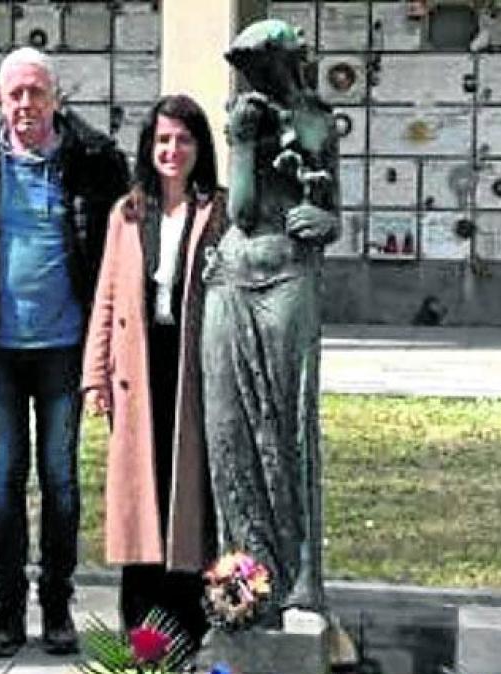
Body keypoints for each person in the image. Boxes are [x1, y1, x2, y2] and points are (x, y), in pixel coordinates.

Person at [0, 47, 129, 658]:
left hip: (64, 346)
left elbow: (117, 248)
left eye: (35, 92)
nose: (25, 105)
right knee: (3, 481)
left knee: (61, 479)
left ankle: (57, 605)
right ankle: (6, 610)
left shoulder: (94, 159)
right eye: (14, 94)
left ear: (55, 98)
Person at [201, 19, 340, 621]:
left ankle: (302, 579)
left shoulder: (316, 118)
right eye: (245, 65)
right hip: (234, 279)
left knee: (289, 425)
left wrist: (327, 221)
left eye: (261, 62)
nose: (252, 75)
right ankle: (242, 579)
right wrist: (239, 145)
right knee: (228, 430)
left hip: (290, 277)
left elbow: (332, 208)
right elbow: (241, 210)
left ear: (287, 61)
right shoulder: (243, 116)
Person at [82, 94, 226, 650]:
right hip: (136, 368)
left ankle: (189, 620)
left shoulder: (217, 210)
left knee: (186, 489)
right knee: (139, 495)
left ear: (199, 147)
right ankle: (141, 628)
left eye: (183, 139)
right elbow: (107, 294)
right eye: (163, 140)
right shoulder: (129, 211)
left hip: (192, 367)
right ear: (149, 146)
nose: (172, 150)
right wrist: (95, 374)